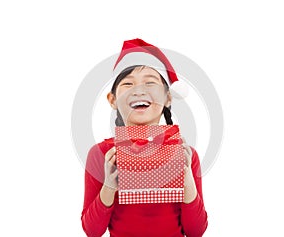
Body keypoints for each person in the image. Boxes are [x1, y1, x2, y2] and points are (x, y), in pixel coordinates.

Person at [81, 38, 208, 237]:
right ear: (112, 100)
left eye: (150, 83)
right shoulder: (101, 154)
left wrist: (188, 183)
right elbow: (92, 231)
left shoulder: (185, 155)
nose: (139, 90)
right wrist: (109, 186)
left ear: (167, 98)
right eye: (128, 84)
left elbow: (196, 232)